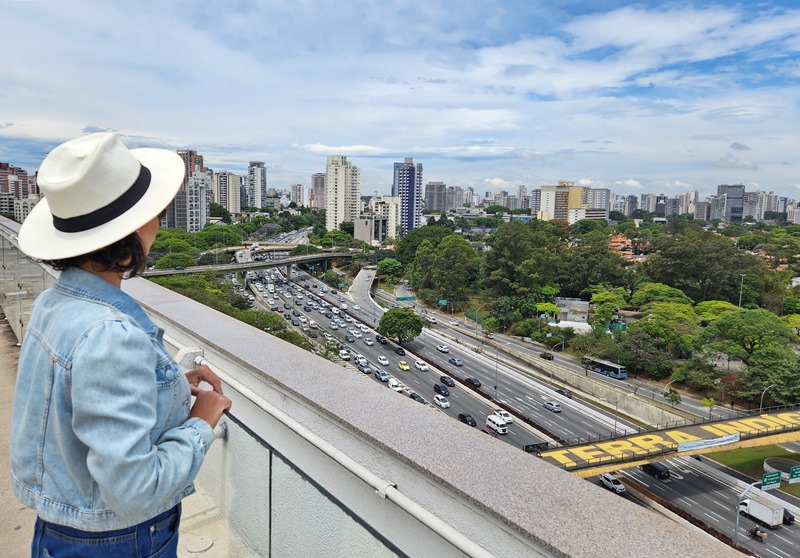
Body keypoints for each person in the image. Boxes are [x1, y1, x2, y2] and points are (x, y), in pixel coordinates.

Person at [10, 132, 232, 557]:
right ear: (128, 236)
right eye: (154, 214)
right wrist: (201, 422)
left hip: (62, 527)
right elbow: (133, 489)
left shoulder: (52, 304)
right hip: (115, 541)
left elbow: (75, 399)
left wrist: (162, 386)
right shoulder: (110, 335)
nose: (159, 221)